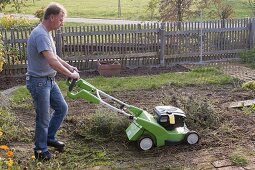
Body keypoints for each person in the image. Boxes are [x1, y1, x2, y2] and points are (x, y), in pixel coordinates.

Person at [26, 2, 80, 161]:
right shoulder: (41, 35)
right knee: (43, 117)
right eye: (61, 19)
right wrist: (70, 75)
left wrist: (69, 67)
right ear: (51, 17)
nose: (62, 22)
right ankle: (40, 150)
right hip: (39, 82)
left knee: (61, 107)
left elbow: (55, 57)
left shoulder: (46, 32)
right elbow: (51, 61)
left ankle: (49, 137)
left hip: (48, 80)